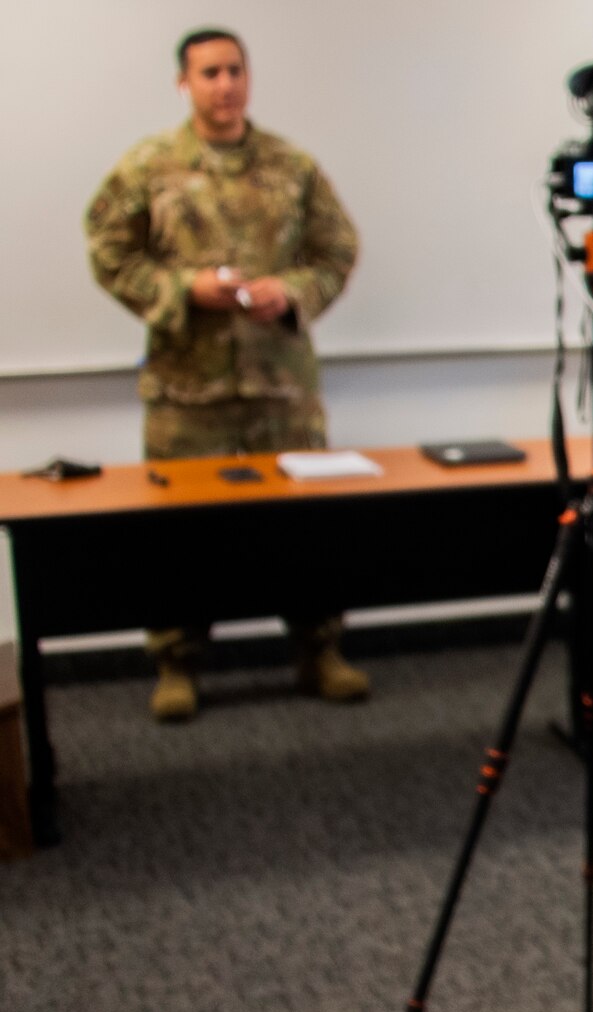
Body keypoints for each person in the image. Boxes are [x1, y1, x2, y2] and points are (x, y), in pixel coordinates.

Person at [85, 28, 366, 722]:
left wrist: (292, 292)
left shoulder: (291, 165)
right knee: (181, 530)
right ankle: (177, 660)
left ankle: (317, 648)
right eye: (209, 72)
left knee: (303, 525)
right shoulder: (149, 167)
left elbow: (336, 248)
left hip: (280, 386)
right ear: (184, 83)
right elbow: (110, 253)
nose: (225, 84)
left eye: (235, 70)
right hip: (190, 390)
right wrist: (185, 290)